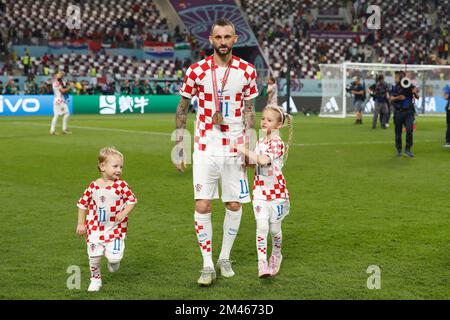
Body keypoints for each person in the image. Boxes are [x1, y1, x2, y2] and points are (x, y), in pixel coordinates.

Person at [173, 18, 259, 286]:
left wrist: (250, 147)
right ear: (210, 39)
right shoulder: (196, 70)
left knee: (233, 204)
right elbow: (182, 107)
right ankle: (207, 264)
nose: (223, 42)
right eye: (218, 37)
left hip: (234, 147)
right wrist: (179, 145)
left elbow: (250, 111)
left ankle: (224, 257)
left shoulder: (247, 70)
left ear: (235, 39)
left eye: (227, 37)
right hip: (205, 146)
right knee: (203, 204)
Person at [235, 105, 292, 278]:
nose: (264, 122)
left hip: (277, 194)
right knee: (261, 226)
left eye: (269, 120)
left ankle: (276, 254)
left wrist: (241, 148)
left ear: (278, 125)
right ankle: (262, 264)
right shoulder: (261, 142)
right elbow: (256, 164)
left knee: (274, 230)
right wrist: (246, 161)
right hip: (260, 192)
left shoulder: (277, 144)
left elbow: (263, 160)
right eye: (263, 119)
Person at [76, 147, 137, 292]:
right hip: (95, 228)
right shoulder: (93, 186)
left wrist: (124, 212)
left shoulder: (122, 185)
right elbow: (82, 204)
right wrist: (81, 223)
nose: (119, 170)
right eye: (115, 166)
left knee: (115, 258)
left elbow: (132, 200)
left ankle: (113, 262)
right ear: (102, 166)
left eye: (121, 167)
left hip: (115, 229)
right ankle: (95, 279)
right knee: (94, 256)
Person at [389, 71, 419, 157]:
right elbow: (391, 98)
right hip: (398, 112)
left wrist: (414, 92)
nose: (395, 79)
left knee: (409, 130)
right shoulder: (395, 88)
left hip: (409, 112)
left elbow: (417, 97)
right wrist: (399, 97)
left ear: (401, 78)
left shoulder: (410, 86)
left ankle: (408, 149)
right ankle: (399, 149)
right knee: (398, 132)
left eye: (396, 77)